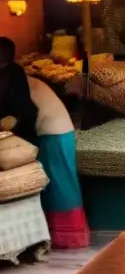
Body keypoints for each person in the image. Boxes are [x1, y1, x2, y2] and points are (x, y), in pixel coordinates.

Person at [27, 75, 90, 248]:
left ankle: (67, 237)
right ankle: (66, 236)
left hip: (53, 134)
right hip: (59, 132)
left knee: (58, 185)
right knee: (62, 182)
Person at [0, 37, 38, 143]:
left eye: (2, 63)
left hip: (19, 131)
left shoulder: (16, 73)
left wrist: (15, 118)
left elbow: (24, 102)